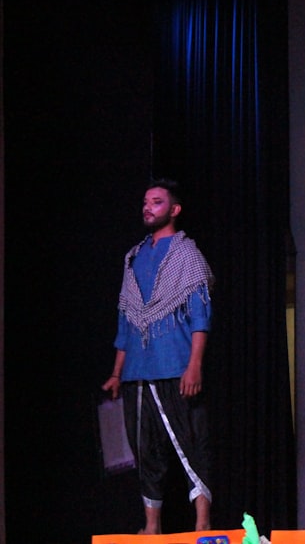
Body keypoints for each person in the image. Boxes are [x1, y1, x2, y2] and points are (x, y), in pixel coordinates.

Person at [101, 179, 214, 534]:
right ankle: (152, 525)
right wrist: (118, 372)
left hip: (175, 365)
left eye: (157, 202)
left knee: (191, 443)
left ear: (174, 210)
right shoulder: (133, 257)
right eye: (146, 201)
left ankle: (202, 521)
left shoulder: (187, 256)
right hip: (137, 371)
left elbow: (200, 317)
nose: (148, 207)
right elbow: (125, 319)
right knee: (144, 448)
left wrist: (194, 365)